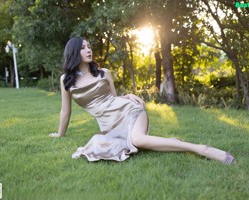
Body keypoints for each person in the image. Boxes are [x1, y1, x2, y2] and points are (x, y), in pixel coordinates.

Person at [49, 37, 236, 164]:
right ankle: (170, 141)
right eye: (83, 48)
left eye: (89, 46)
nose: (88, 50)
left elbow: (113, 100)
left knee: (138, 140)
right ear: (73, 52)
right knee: (109, 143)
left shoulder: (104, 73)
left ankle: (201, 149)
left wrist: (127, 97)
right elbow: (66, 112)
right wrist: (60, 135)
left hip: (130, 111)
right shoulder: (66, 80)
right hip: (109, 126)